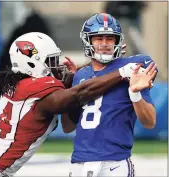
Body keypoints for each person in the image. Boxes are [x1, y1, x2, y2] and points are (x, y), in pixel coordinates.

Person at [0, 32, 146, 177]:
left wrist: (103, 59)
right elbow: (80, 93)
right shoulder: (38, 91)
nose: (56, 66)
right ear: (32, 62)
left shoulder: (20, 84)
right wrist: (120, 71)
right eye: (50, 60)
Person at [62, 13, 158, 176]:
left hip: (115, 163)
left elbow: (150, 122)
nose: (104, 44)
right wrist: (67, 92)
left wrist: (135, 94)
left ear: (118, 41)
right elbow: (68, 126)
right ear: (88, 40)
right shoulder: (80, 75)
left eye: (110, 38)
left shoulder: (133, 68)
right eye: (99, 38)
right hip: (79, 161)